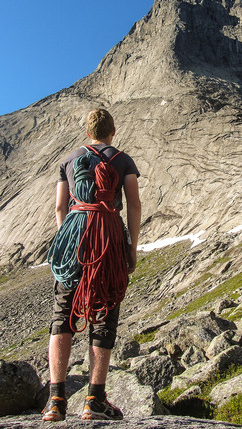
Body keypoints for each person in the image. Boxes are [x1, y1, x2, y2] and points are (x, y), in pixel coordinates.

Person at [42, 108, 141, 422]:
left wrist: (69, 241)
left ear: (88, 133)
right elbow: (134, 204)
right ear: (113, 131)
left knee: (63, 315)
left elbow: (61, 207)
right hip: (109, 239)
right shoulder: (123, 159)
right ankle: (94, 401)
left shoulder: (68, 161)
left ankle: (55, 401)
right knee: (104, 314)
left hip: (74, 239)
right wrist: (131, 249)